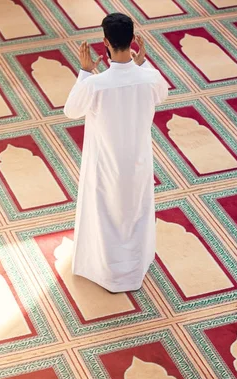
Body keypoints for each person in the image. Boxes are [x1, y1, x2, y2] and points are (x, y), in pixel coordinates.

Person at [63, 13, 168, 293]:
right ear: (133, 41)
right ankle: (134, 266)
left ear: (105, 42)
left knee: (105, 214)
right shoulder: (150, 77)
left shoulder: (96, 84)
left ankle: (106, 271)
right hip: (138, 160)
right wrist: (142, 63)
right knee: (135, 211)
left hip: (105, 162)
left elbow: (71, 110)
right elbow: (162, 93)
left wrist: (84, 72)